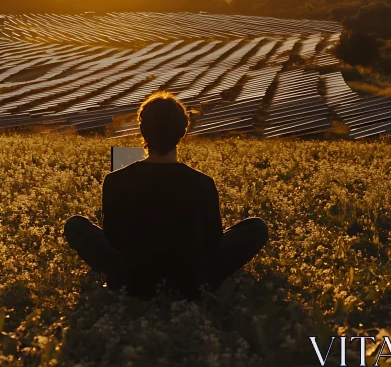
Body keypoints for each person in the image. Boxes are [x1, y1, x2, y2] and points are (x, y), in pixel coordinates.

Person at [64, 92, 269, 300]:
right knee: (256, 228)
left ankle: (119, 280)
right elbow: (212, 244)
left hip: (132, 281)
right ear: (182, 131)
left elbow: (113, 241)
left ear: (142, 131)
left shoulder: (116, 180)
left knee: (75, 225)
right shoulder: (203, 182)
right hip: (191, 281)